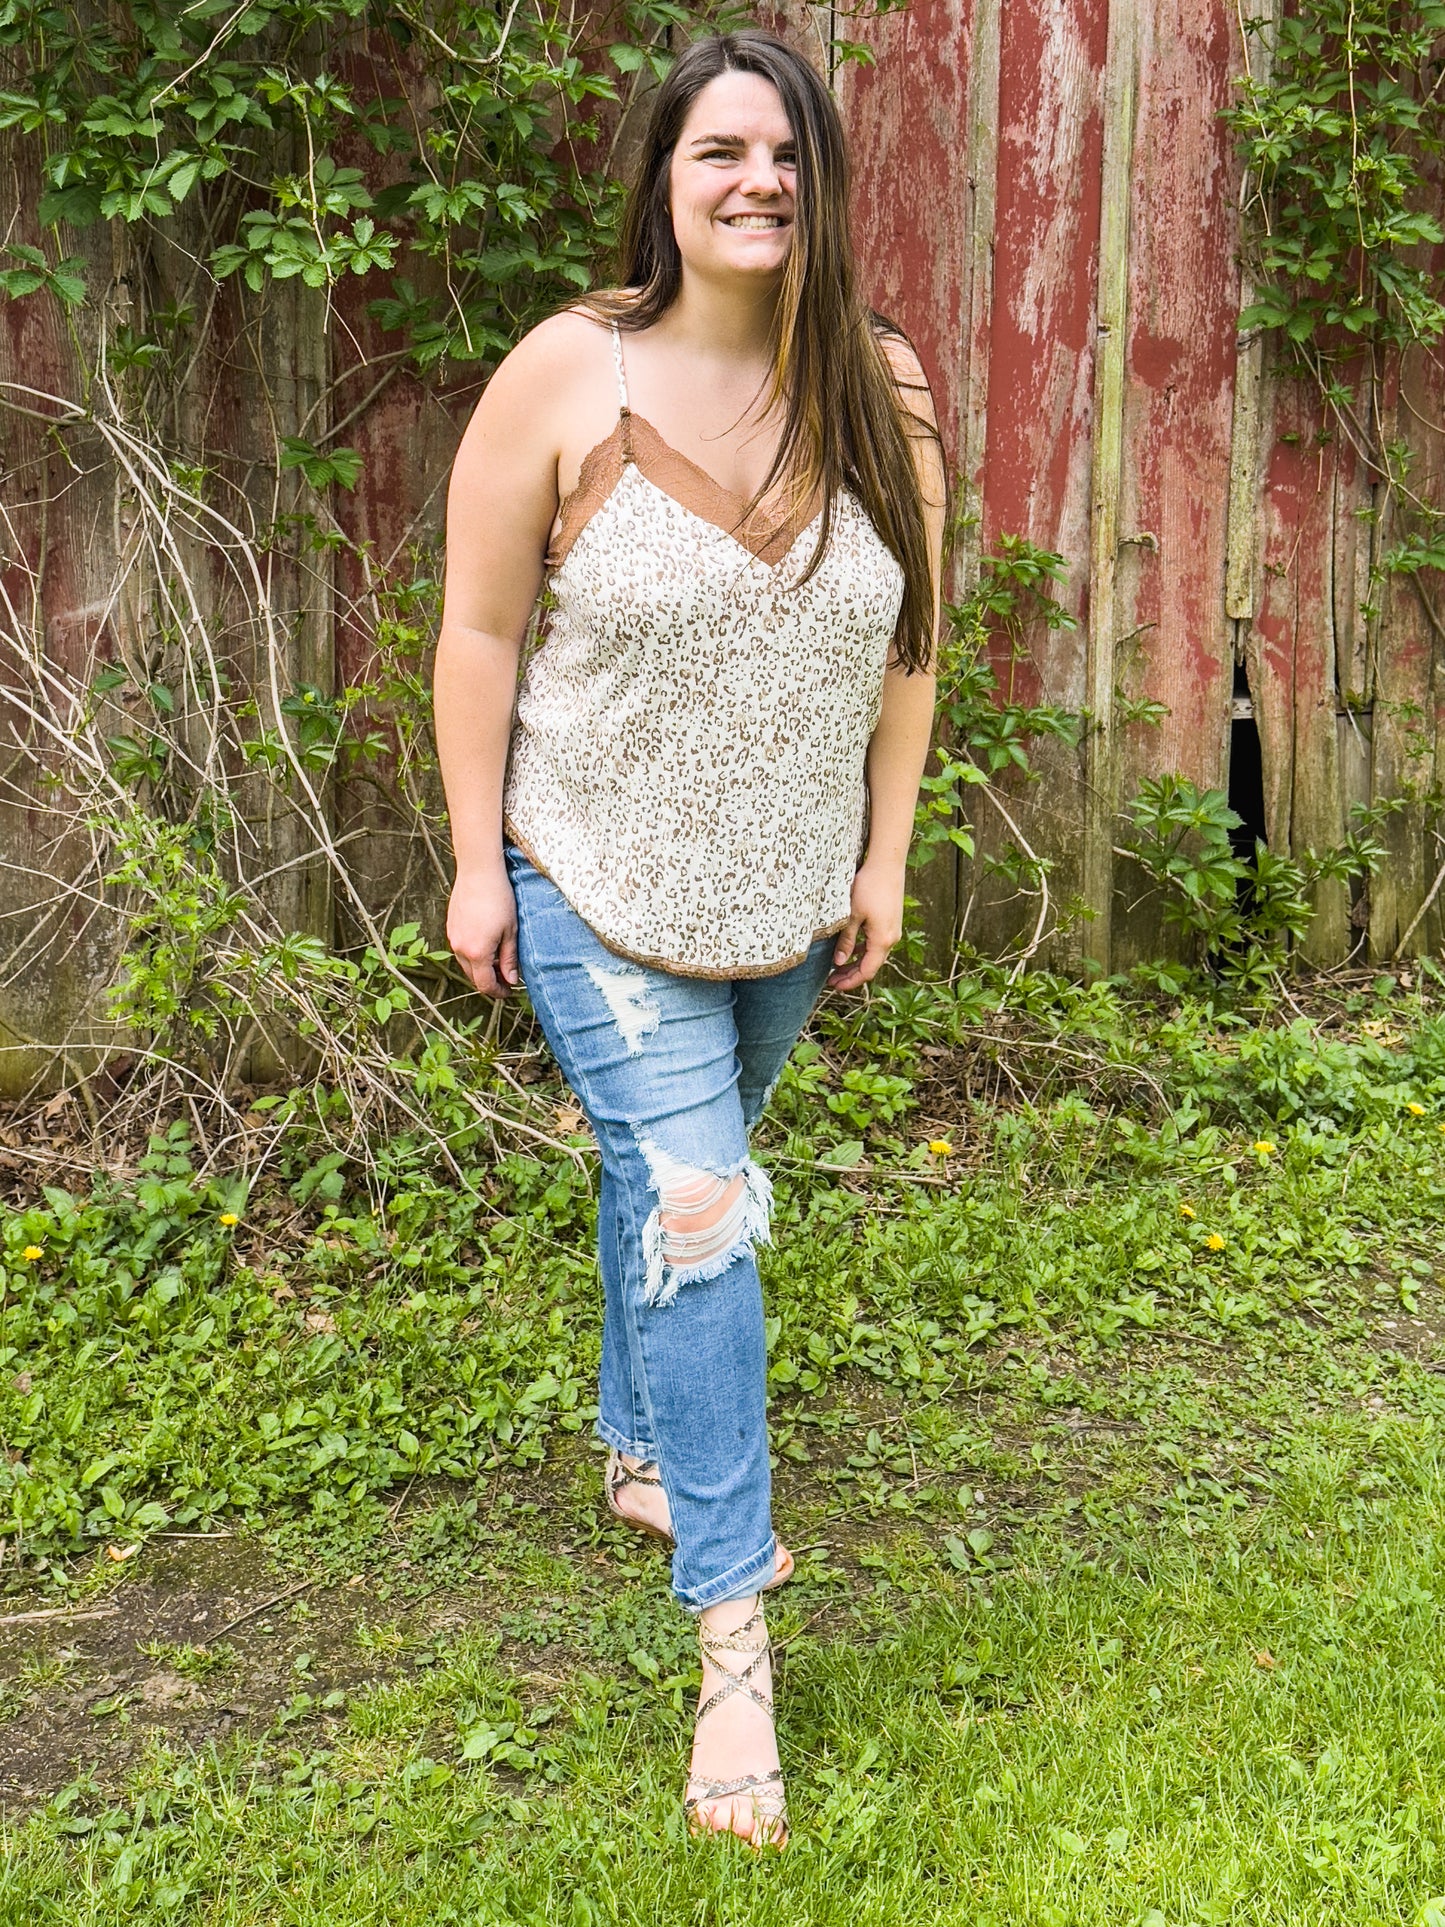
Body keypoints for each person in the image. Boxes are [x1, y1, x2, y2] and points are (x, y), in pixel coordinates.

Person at [433, 26, 944, 1850]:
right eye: (723, 150)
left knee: (662, 1177)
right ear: (665, 174)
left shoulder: (880, 388)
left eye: (789, 155)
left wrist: (881, 859)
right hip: (589, 877)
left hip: (785, 904)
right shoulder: (569, 372)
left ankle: (634, 1442)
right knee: (706, 1214)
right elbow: (480, 633)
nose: (758, 182)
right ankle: (735, 1646)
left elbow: (905, 651)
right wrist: (477, 864)